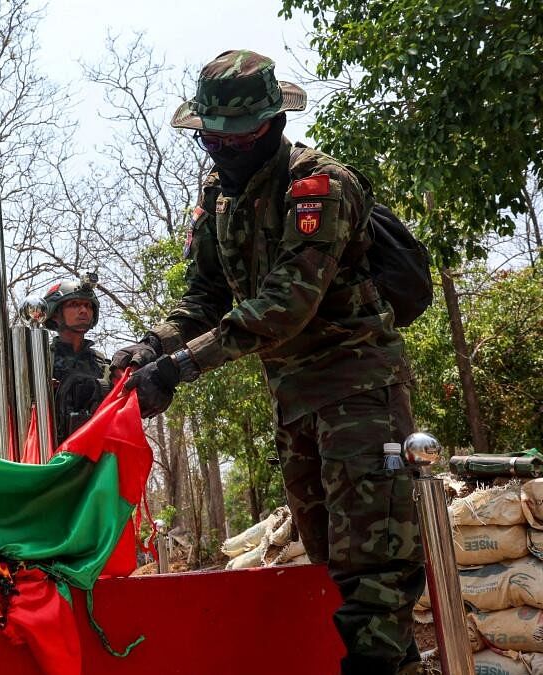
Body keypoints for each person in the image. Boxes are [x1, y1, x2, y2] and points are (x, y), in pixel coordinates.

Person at [112, 50, 424, 675]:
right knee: (329, 561)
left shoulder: (318, 187)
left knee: (375, 571)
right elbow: (205, 296)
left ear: (275, 123)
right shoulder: (220, 201)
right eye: (214, 138)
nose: (226, 151)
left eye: (242, 137)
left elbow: (286, 305)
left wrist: (181, 368)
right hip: (294, 400)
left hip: (357, 390)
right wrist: (154, 346)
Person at [41, 278, 110, 442]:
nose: (83, 310)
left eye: (88, 306)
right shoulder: (40, 360)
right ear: (55, 314)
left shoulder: (102, 365)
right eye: (74, 304)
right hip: (48, 453)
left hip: (93, 455)